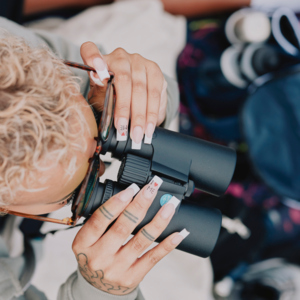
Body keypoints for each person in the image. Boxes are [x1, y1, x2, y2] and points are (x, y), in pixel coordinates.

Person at [0, 17, 187, 300]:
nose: (104, 168)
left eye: (98, 130)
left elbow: (162, 90)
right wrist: (100, 291)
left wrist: (137, 101)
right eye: (76, 193)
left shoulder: (12, 58)